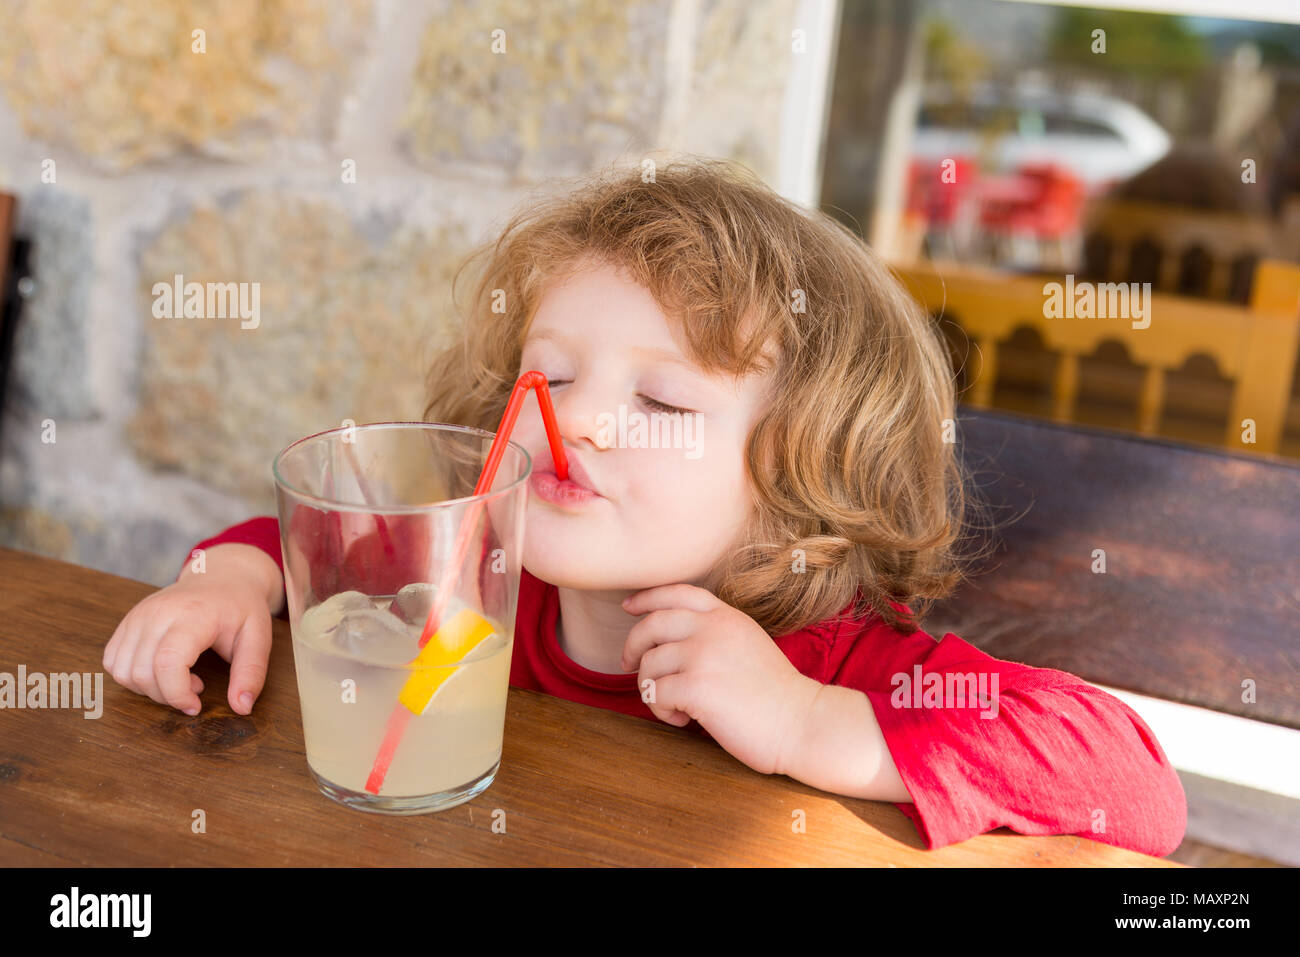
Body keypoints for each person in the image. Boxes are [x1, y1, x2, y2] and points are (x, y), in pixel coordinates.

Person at [103, 156, 1186, 855]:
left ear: (798, 481)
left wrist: (814, 726)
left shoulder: (837, 661)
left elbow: (1133, 787)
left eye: (661, 398)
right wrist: (231, 580)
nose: (584, 425)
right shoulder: (479, 594)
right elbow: (338, 566)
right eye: (553, 377)